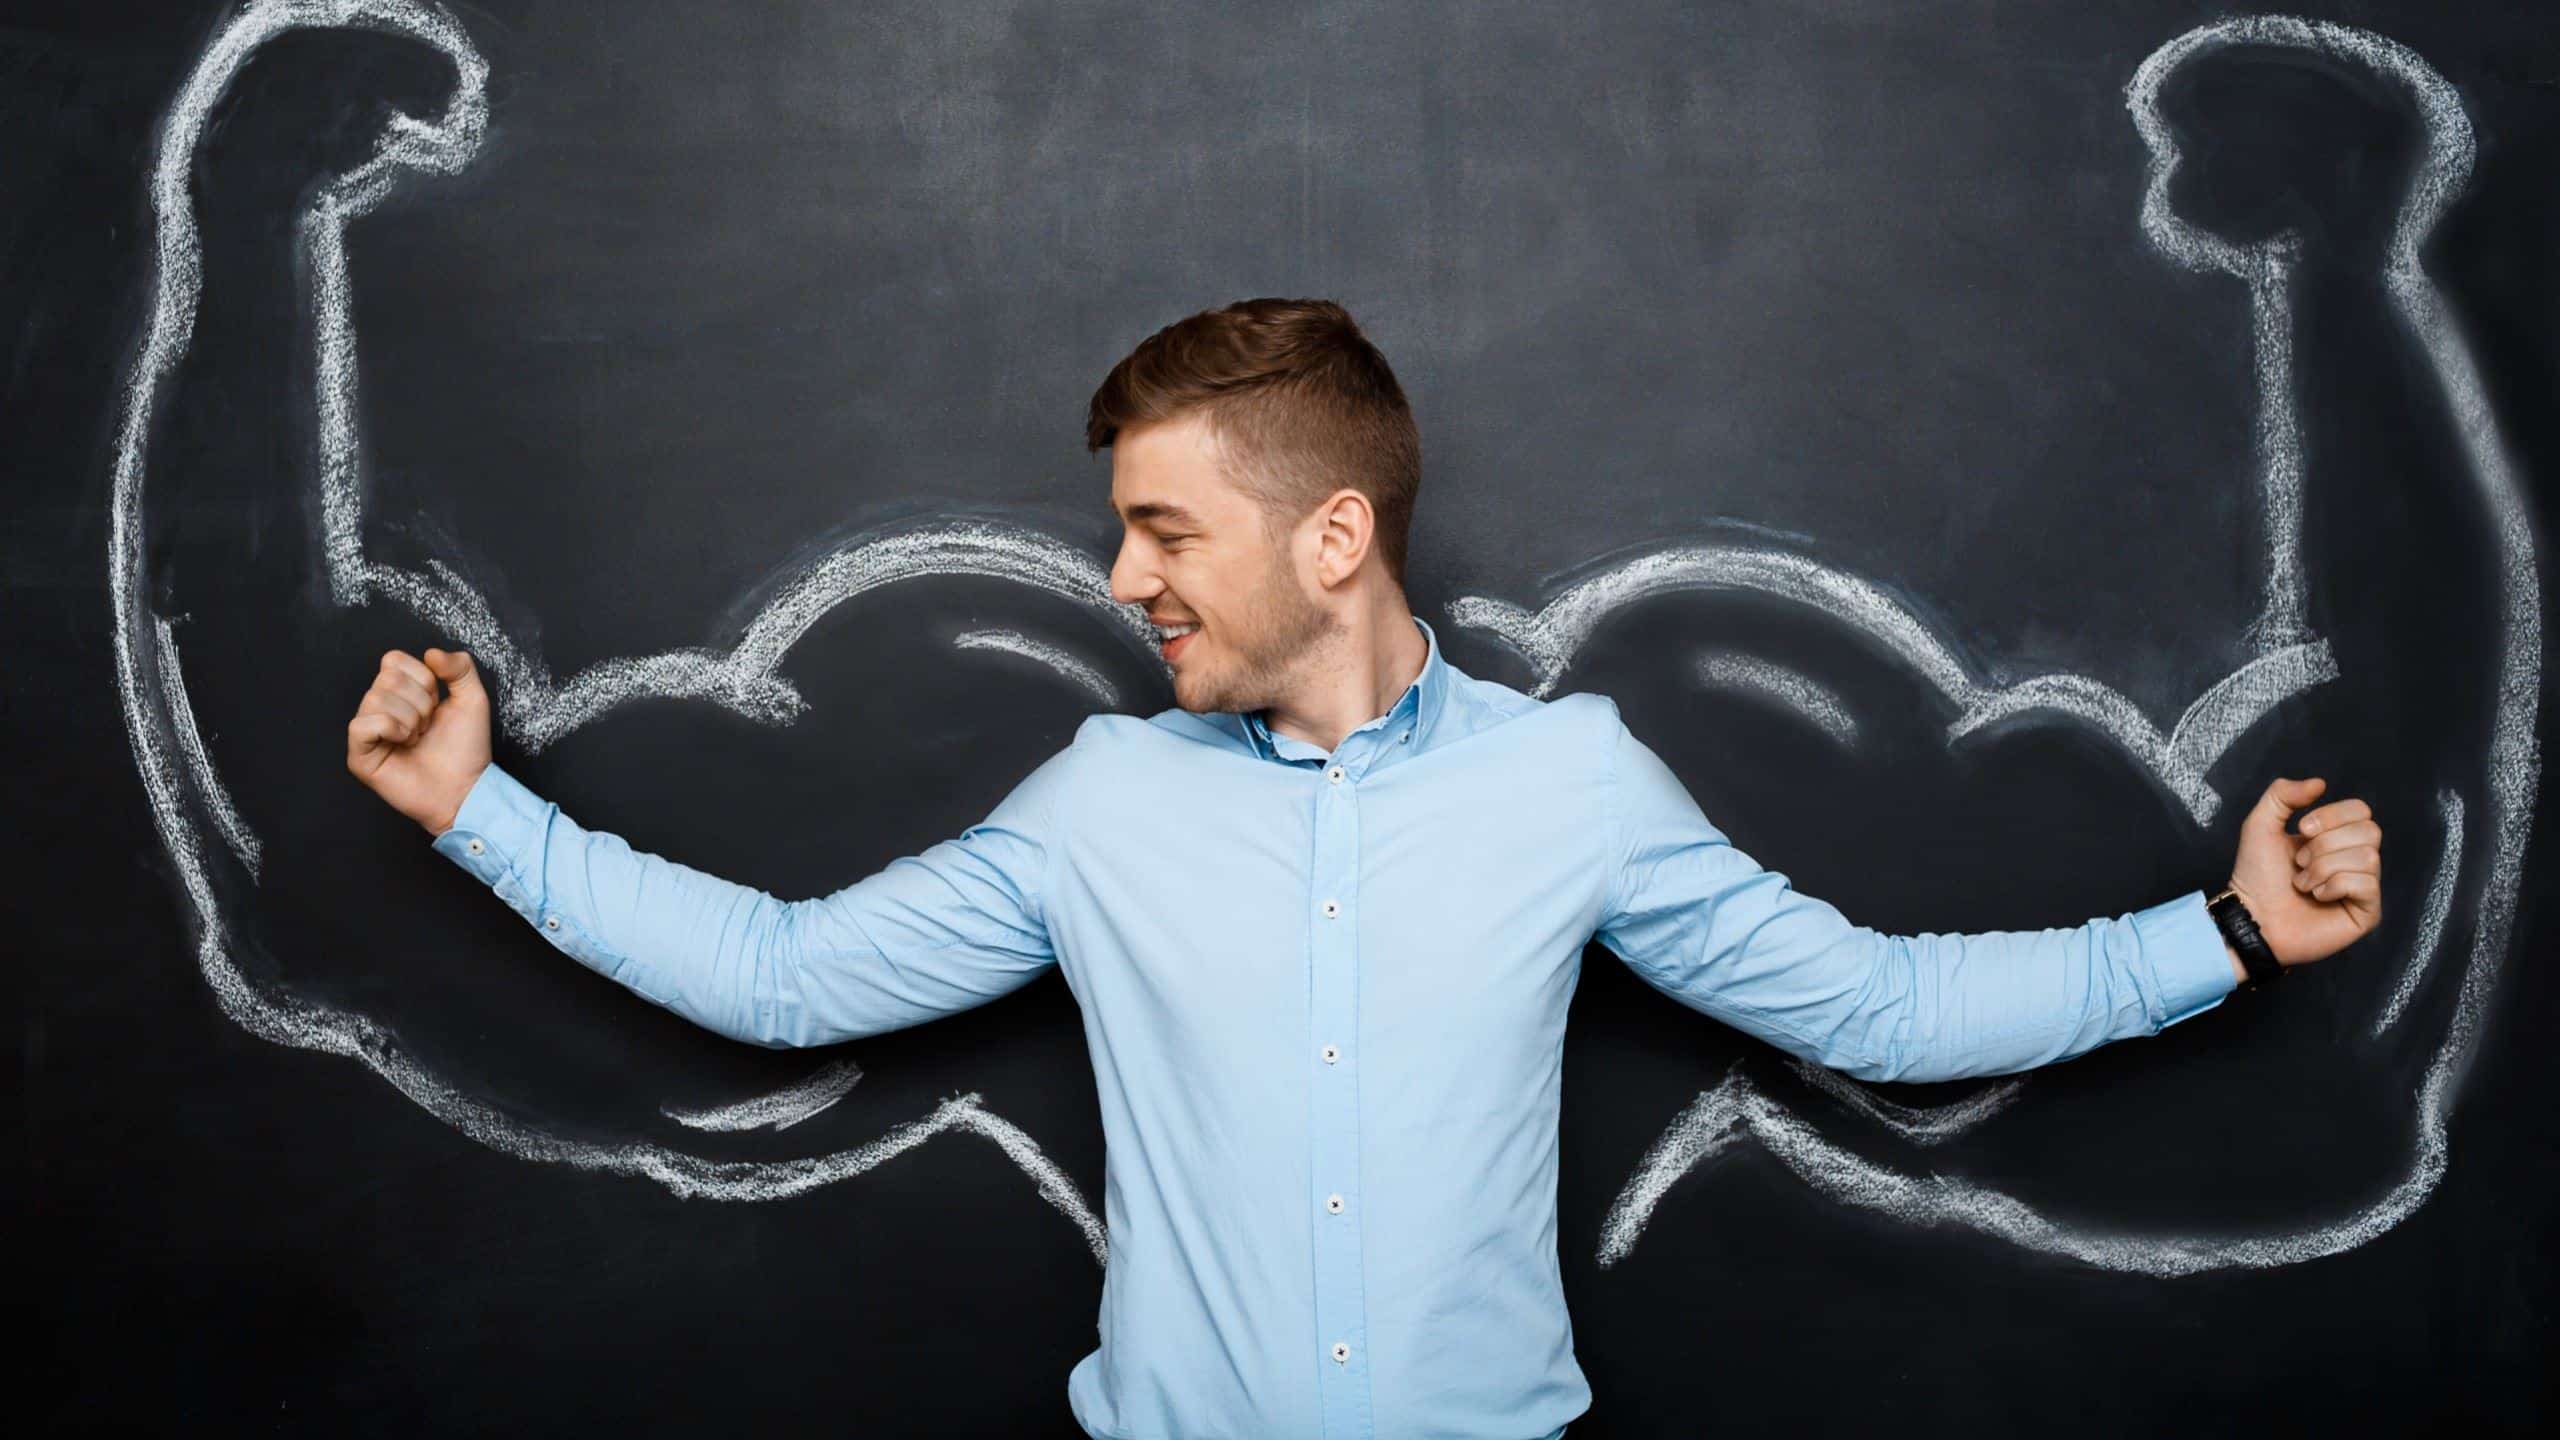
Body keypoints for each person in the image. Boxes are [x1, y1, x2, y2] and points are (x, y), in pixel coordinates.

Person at [345, 297, 2383, 1440]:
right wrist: (477, 810)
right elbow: (786, 978)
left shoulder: (1572, 785)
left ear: (1330, 538)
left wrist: (2221, 933)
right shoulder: (1098, 805)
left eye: (1163, 531)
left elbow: (1870, 1006)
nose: (1122, 577)